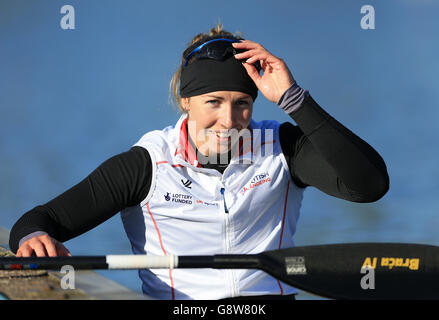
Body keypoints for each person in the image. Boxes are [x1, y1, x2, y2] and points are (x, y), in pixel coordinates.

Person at [9, 24, 389, 300]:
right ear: (185, 101)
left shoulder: (281, 148)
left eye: (242, 103)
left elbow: (369, 186)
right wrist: (33, 238)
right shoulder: (147, 165)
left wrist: (294, 99)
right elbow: (38, 221)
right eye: (214, 102)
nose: (229, 120)